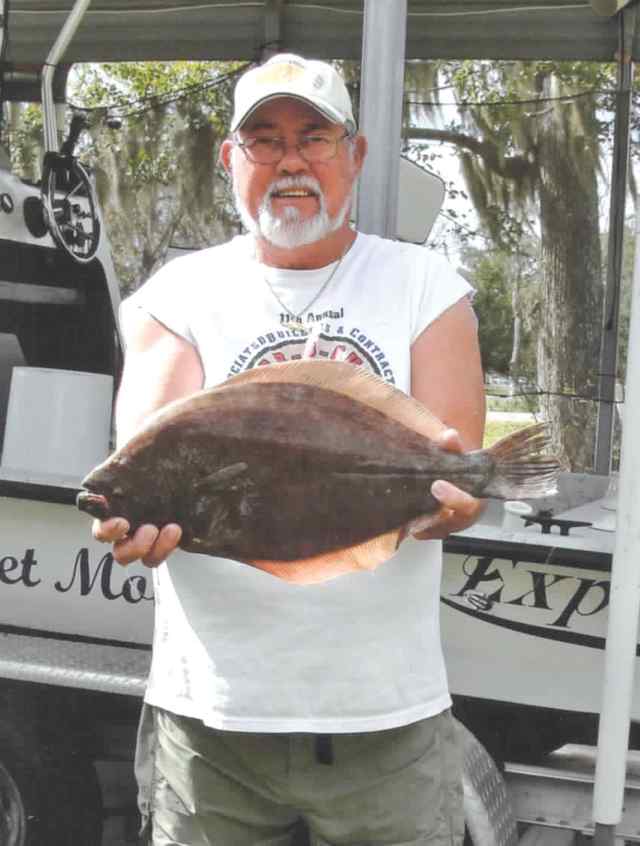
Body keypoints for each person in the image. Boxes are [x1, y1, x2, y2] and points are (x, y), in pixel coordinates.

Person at [94, 53, 485, 846]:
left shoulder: (423, 284)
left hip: (386, 718)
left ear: (356, 155)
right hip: (213, 720)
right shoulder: (179, 293)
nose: (292, 161)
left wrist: (457, 495)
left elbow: (457, 466)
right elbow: (145, 448)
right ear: (230, 159)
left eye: (315, 137)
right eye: (264, 140)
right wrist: (127, 518)